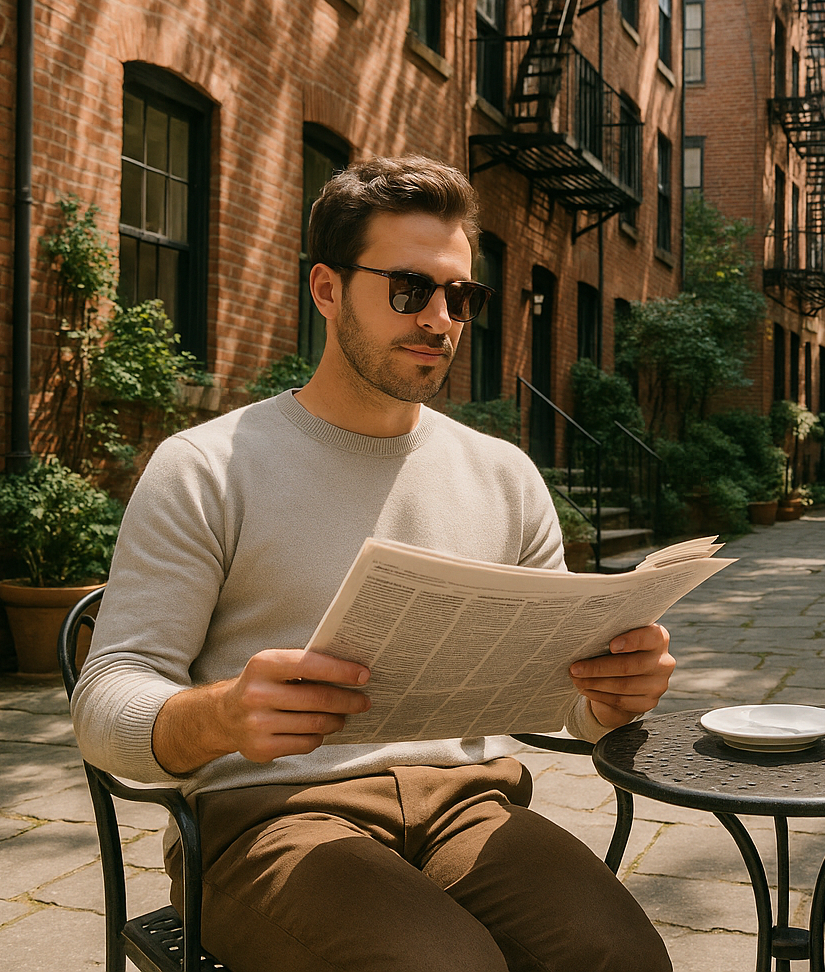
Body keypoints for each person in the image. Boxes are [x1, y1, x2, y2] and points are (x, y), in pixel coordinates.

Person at [71, 155, 675, 972]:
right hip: (267, 816)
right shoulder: (208, 466)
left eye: (461, 297)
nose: (440, 319)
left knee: (622, 956)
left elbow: (558, 698)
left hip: (469, 804)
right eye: (408, 290)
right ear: (326, 290)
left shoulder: (504, 475)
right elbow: (107, 696)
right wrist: (217, 716)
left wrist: (609, 695)